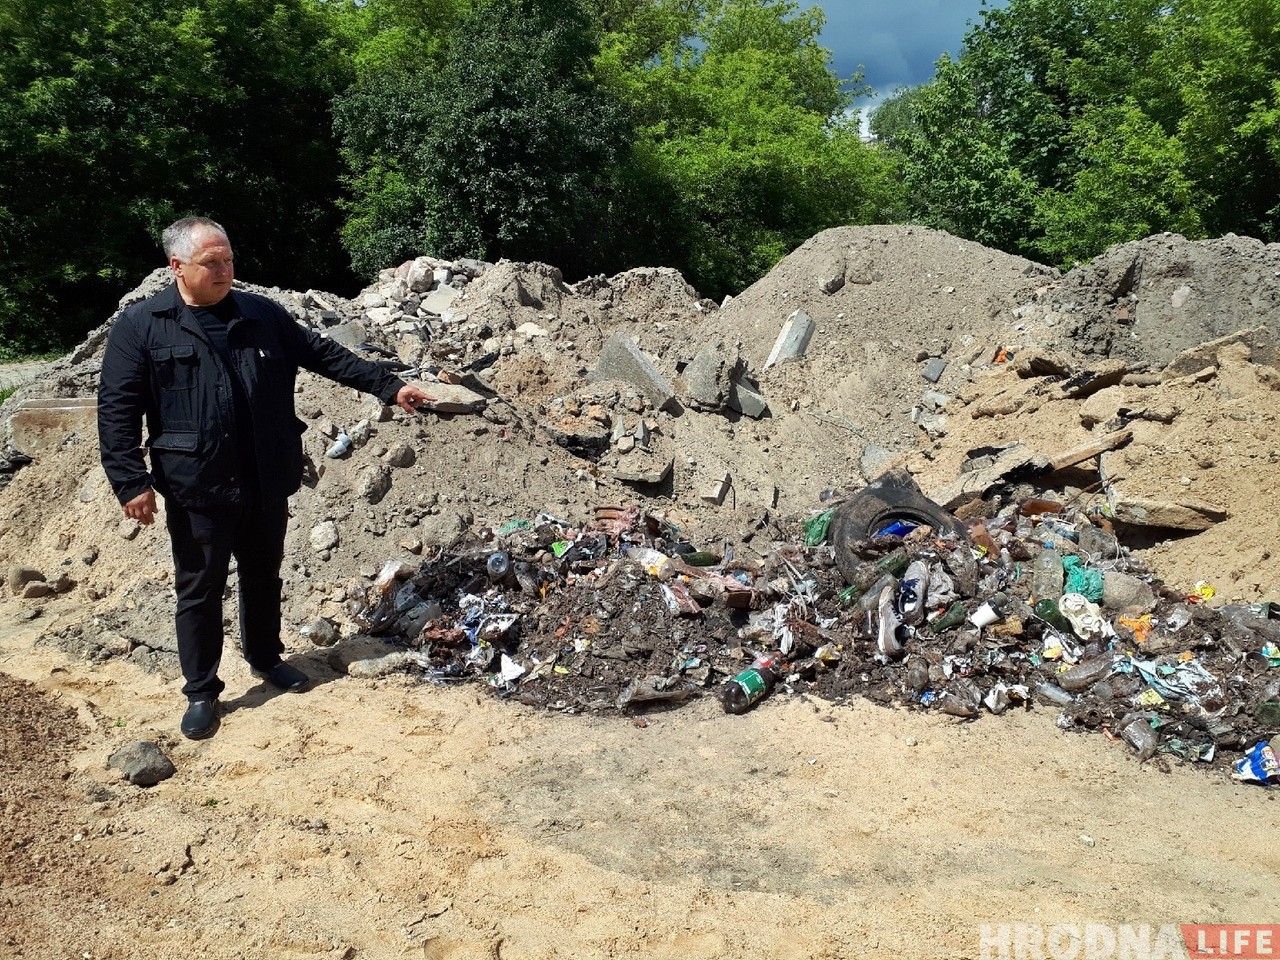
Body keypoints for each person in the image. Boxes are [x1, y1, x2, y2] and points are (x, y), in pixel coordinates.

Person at [98, 217, 434, 740]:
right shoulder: (143, 325)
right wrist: (130, 481)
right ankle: (202, 691)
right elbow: (117, 408)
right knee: (200, 587)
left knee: (262, 574)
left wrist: (388, 387)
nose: (224, 270)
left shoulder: (259, 313)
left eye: (229, 260)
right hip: (197, 482)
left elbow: (323, 353)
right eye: (212, 262)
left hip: (265, 474)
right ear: (177, 266)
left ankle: (266, 657)